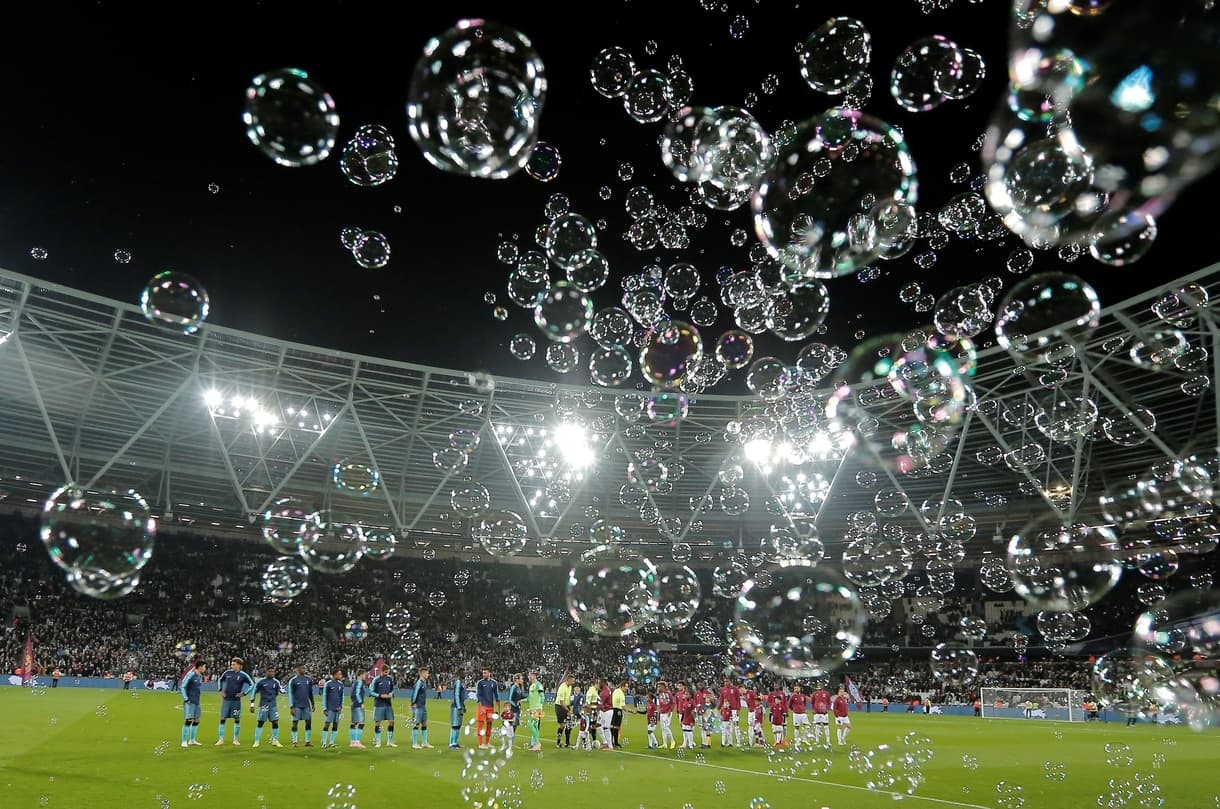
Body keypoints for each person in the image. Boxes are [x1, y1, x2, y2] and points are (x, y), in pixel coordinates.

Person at [216, 657, 254, 746]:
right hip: (226, 700)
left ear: (239, 665)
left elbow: (252, 684)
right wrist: (220, 690)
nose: (231, 666)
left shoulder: (243, 675)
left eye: (234, 664)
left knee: (237, 719)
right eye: (231, 664)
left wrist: (244, 693)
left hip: (236, 701)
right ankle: (221, 739)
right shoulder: (227, 673)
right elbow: (220, 680)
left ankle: (235, 739)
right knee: (222, 718)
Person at [250, 664, 284, 748]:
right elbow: (254, 691)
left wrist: (282, 691)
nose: (272, 673)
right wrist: (252, 704)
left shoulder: (276, 682)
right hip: (263, 705)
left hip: (273, 705)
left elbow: (278, 691)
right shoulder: (261, 681)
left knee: (275, 722)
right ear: (266, 672)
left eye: (273, 671)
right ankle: (256, 741)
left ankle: (275, 740)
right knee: (260, 723)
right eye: (270, 671)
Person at [179, 659, 206, 748]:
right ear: (200, 667)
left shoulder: (200, 676)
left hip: (197, 701)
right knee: (188, 720)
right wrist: (186, 699)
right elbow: (182, 686)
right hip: (190, 701)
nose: (205, 668)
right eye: (204, 666)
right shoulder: (191, 675)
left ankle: (192, 740)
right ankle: (184, 741)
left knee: (197, 720)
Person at [287, 664, 316, 747]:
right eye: (302, 668)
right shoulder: (293, 680)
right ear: (297, 669)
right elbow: (291, 694)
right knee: (295, 722)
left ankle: (307, 741)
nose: (304, 669)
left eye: (305, 668)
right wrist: (291, 706)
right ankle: (295, 741)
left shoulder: (308, 680)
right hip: (296, 705)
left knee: (308, 722)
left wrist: (313, 703)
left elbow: (310, 693)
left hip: (306, 705)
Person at [371, 666, 398, 748]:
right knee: (378, 722)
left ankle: (390, 741)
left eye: (388, 672)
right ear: (381, 671)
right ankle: (378, 742)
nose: (387, 674)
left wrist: (391, 694)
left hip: (388, 704)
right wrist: (380, 695)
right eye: (386, 672)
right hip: (379, 704)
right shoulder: (376, 679)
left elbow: (392, 689)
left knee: (391, 721)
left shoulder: (389, 679)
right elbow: (371, 691)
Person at [475, 668, 500, 749]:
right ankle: (480, 744)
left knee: (489, 725)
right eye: (483, 673)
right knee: (480, 724)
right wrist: (481, 706)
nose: (483, 674)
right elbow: (478, 695)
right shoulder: (480, 683)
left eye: (485, 673)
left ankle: (487, 742)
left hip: (490, 707)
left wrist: (497, 709)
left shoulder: (494, 683)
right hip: (483, 707)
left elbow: (496, 695)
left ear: (489, 673)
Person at [410, 666, 433, 749]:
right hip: (418, 706)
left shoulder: (424, 683)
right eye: (427, 673)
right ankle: (414, 743)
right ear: (422, 673)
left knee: (424, 723)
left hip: (423, 706)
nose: (428, 674)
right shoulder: (419, 683)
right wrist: (413, 703)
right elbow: (415, 693)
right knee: (416, 724)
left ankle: (424, 742)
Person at [321, 668, 345, 749]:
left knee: (335, 725)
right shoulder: (328, 684)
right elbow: (324, 696)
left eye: (340, 674)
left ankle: (331, 742)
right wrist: (325, 708)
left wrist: (341, 706)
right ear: (334, 675)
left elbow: (342, 696)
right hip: (330, 708)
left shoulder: (341, 684)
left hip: (337, 708)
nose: (340, 676)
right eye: (339, 674)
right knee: (327, 724)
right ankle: (324, 742)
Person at [718, 678, 740, 748]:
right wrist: (718, 708)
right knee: (727, 726)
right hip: (726, 709)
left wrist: (738, 709)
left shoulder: (735, 689)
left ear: (730, 681)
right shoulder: (722, 690)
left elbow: (738, 699)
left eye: (727, 681)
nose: (725, 682)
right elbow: (721, 700)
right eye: (724, 681)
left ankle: (738, 742)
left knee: (736, 726)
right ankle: (729, 742)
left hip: (734, 709)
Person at [349, 668, 368, 748]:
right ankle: (357, 742)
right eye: (365, 675)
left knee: (354, 723)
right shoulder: (359, 682)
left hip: (354, 704)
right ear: (361, 675)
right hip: (357, 705)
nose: (365, 676)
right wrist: (361, 703)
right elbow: (357, 694)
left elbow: (352, 694)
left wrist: (353, 701)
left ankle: (352, 742)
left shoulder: (355, 683)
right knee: (361, 722)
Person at [554, 673, 574, 748]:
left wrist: (569, 708)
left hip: (566, 706)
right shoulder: (562, 687)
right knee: (562, 725)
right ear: (568, 680)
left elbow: (567, 699)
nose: (573, 682)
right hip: (559, 707)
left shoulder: (570, 687)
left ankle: (567, 743)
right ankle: (558, 743)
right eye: (572, 681)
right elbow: (561, 701)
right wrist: (568, 710)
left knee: (569, 725)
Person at [527, 671, 545, 751]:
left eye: (530, 675)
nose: (529, 677)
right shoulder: (532, 686)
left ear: (534, 676)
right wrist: (521, 700)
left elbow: (543, 697)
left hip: (536, 709)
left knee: (530, 725)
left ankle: (537, 743)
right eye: (529, 675)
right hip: (532, 709)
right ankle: (536, 745)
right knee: (535, 727)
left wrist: (540, 707)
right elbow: (529, 698)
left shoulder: (538, 685)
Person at [449, 669, 467, 749]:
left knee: (458, 725)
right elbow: (456, 695)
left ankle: (455, 743)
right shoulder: (458, 682)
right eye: (464, 672)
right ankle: (451, 743)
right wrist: (459, 707)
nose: (465, 674)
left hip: (460, 706)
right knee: (455, 725)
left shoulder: (460, 682)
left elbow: (461, 696)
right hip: (456, 707)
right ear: (460, 674)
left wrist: (463, 706)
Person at [656, 681, 676, 749]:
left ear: (663, 686)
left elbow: (673, 703)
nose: (658, 688)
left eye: (659, 686)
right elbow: (659, 705)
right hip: (662, 713)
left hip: (667, 713)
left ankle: (672, 741)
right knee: (663, 729)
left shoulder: (668, 693)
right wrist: (659, 714)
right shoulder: (659, 694)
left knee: (666, 727)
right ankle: (665, 744)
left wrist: (670, 711)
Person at [507, 674, 526, 745]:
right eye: (521, 679)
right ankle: (510, 740)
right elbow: (510, 699)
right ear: (517, 680)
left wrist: (531, 694)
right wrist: (515, 704)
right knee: (512, 725)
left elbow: (522, 696)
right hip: (513, 710)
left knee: (515, 726)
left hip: (517, 710)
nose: (522, 680)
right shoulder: (514, 687)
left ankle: (511, 740)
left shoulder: (519, 687)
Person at [676, 682, 696, 749]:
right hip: (685, 718)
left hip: (689, 719)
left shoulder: (692, 702)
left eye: (687, 694)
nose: (685, 695)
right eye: (685, 694)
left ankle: (691, 744)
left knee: (689, 732)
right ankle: (687, 743)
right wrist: (682, 720)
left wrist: (693, 721)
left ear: (691, 695)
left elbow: (693, 713)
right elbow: (684, 712)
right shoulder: (685, 702)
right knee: (685, 731)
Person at [597, 678, 615, 750]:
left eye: (599, 683)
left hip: (607, 711)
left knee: (606, 728)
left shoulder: (604, 692)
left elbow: (601, 704)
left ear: (603, 683)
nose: (599, 684)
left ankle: (610, 746)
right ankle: (605, 742)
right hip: (605, 711)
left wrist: (595, 707)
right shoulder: (607, 690)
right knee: (598, 725)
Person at [610, 679, 626, 748]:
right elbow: (623, 706)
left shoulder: (615, 691)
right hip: (618, 710)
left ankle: (611, 742)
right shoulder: (621, 694)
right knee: (616, 727)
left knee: (612, 726)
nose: (627, 688)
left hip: (613, 709)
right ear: (622, 686)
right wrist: (631, 710)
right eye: (626, 687)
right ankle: (616, 743)